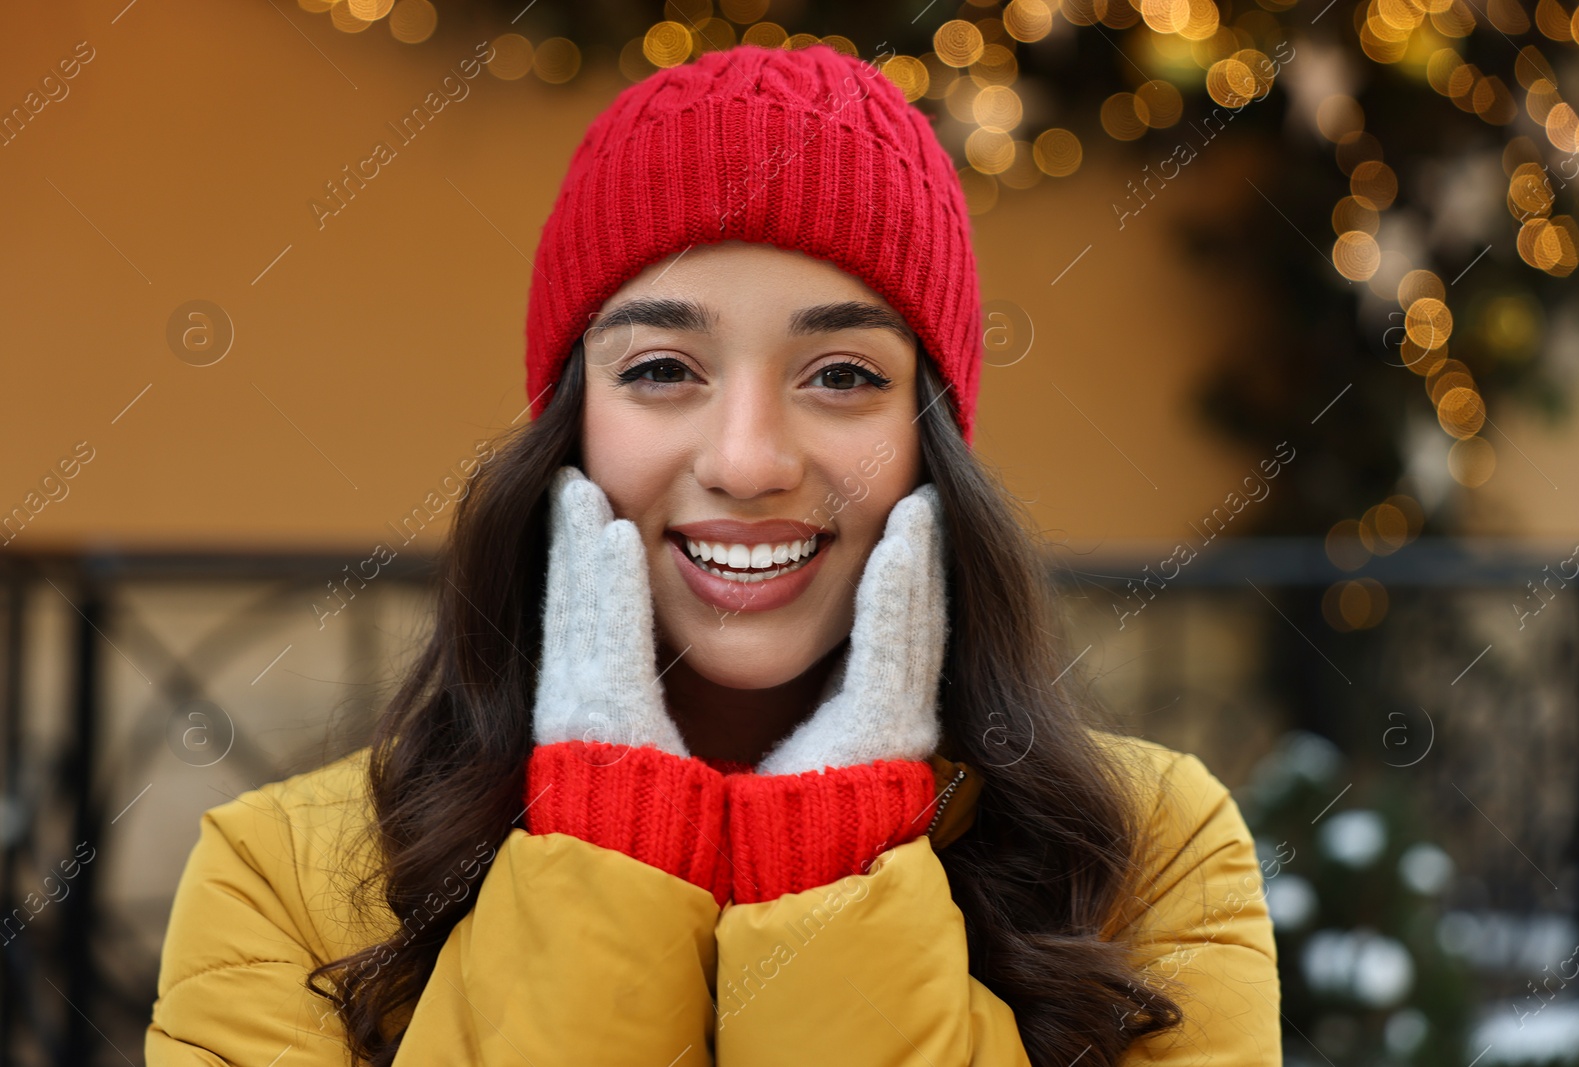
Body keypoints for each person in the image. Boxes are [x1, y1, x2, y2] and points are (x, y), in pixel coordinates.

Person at [145, 42, 1280, 1067]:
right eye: (659, 370)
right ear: (569, 430)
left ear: (930, 444)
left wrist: (837, 857)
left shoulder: (1150, 857)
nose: (745, 460)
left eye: (842, 373)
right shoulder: (283, 880)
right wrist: (605, 840)